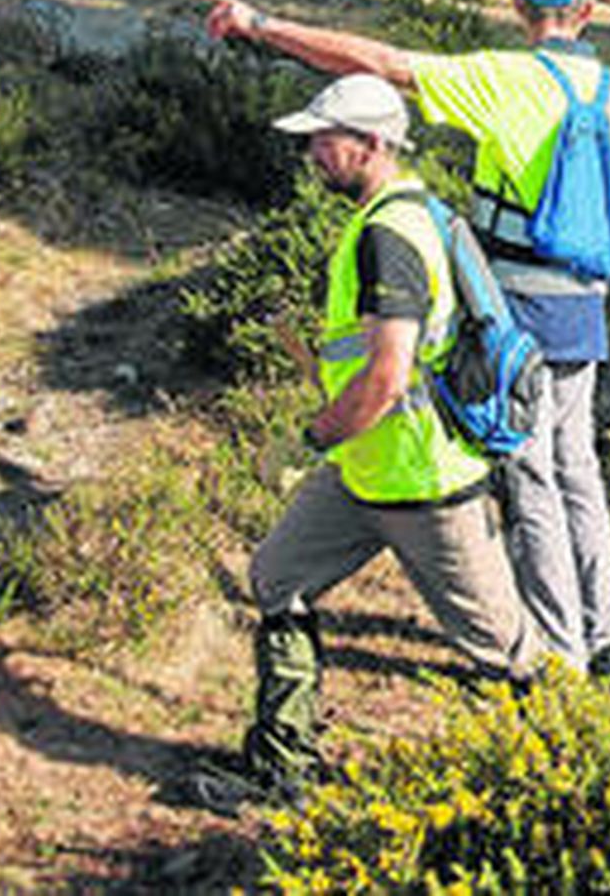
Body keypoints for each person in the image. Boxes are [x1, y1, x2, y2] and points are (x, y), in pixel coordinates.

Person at [195, 0, 610, 681]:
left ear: (519, 8)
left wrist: (261, 23)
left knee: (529, 477)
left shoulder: (505, 79)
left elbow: (379, 62)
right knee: (580, 469)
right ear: (586, 13)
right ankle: (603, 633)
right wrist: (572, 221)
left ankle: (559, 655)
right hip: (585, 309)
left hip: (514, 308)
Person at [185, 75, 544, 814]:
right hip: (365, 469)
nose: (312, 151)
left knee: (504, 650)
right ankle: (281, 771)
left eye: (325, 139)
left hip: (422, 480)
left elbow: (385, 378)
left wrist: (305, 439)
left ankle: (562, 788)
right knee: (277, 575)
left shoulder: (391, 233)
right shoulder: (391, 216)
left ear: (373, 144)